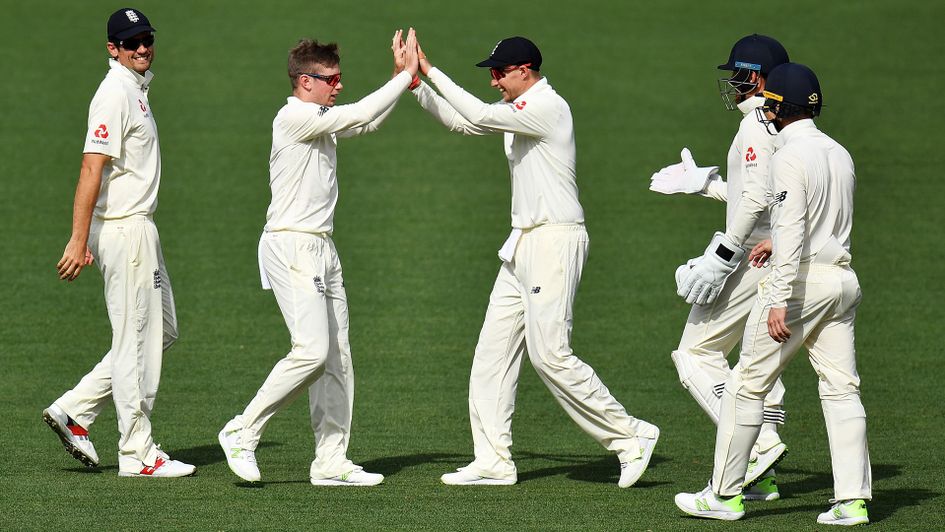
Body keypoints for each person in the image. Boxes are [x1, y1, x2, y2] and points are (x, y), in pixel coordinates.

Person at [410, 35, 659, 487]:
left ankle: (630, 435)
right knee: (492, 355)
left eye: (499, 72)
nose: (493, 79)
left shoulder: (548, 107)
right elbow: (467, 125)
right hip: (522, 244)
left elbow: (481, 114)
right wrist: (416, 88)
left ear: (525, 70)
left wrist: (430, 70)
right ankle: (493, 460)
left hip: (555, 241)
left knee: (550, 355)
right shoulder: (519, 112)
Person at [217, 30, 421, 486]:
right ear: (305, 82)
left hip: (322, 247)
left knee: (338, 358)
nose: (339, 86)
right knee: (311, 351)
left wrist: (398, 80)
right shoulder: (293, 117)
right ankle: (242, 431)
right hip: (291, 245)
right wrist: (407, 75)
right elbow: (361, 112)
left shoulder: (321, 117)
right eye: (332, 79)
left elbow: (365, 122)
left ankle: (331, 460)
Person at [674, 63, 872, 526]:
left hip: (801, 285)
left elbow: (789, 224)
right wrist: (776, 242)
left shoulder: (787, 157)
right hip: (843, 281)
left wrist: (779, 296)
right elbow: (826, 222)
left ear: (781, 107)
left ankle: (724, 495)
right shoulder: (839, 152)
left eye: (770, 105)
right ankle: (851, 501)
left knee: (746, 386)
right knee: (842, 390)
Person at [44, 8, 195, 478]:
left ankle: (74, 409)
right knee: (135, 341)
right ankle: (137, 452)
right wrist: (77, 238)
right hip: (126, 230)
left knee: (159, 332)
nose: (142, 48)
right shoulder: (114, 94)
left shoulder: (135, 90)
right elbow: (92, 167)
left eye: (147, 39)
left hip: (139, 229)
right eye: (132, 43)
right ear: (113, 49)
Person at [648, 34, 791, 500]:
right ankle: (762, 477)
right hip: (780, 248)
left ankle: (760, 446)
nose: (733, 84)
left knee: (696, 353)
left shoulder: (754, 126)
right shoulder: (781, 123)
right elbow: (767, 194)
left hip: (753, 256)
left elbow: (754, 199)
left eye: (740, 75)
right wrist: (705, 183)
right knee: (757, 363)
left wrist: (723, 254)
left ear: (760, 78)